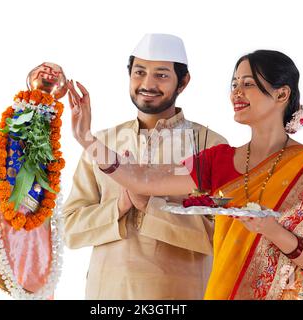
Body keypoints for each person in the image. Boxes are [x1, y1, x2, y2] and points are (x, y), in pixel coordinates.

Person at [68, 49, 303, 300]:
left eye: (247, 83)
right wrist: (87, 140)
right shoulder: (219, 160)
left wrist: (274, 233)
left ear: (282, 93)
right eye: (234, 83)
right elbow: (143, 179)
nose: (236, 92)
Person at [63, 33, 227, 299]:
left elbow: (221, 235)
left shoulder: (210, 145)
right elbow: (70, 229)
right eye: (139, 72)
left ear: (183, 82)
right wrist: (120, 206)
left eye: (161, 75)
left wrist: (150, 204)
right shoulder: (103, 143)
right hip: (108, 294)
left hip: (180, 294)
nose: (147, 84)